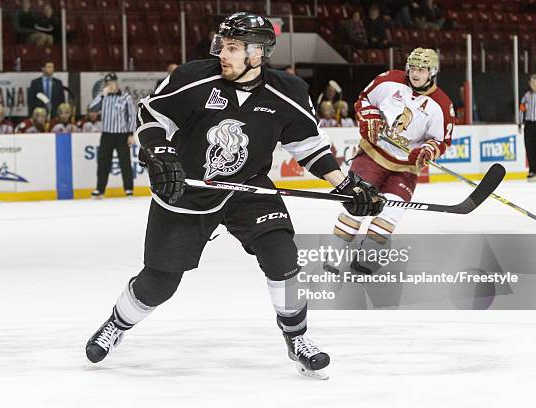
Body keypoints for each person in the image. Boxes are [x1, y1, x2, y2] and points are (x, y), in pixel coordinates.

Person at [84, 12, 385, 379]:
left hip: (249, 189)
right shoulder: (193, 78)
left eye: (231, 48)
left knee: (283, 256)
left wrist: (345, 184)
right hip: (187, 187)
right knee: (159, 284)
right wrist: (160, 153)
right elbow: (152, 116)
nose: (221, 54)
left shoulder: (287, 92)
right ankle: (117, 324)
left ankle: (298, 338)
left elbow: (309, 148)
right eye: (221, 45)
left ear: (257, 53)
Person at [328, 48, 454, 275]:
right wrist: (370, 115)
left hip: (405, 168)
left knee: (391, 213)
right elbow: (364, 99)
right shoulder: (389, 80)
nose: (416, 73)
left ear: (432, 72)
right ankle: (334, 257)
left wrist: (426, 150)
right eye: (413, 68)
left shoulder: (442, 105)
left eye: (422, 69)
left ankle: (364, 261)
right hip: (373, 155)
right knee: (357, 205)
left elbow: (441, 140)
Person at [89, 72, 137, 197]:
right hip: (107, 135)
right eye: (108, 83)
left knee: (125, 162)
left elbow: (131, 116)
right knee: (103, 163)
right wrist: (102, 95)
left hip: (122, 135)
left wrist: (131, 134)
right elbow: (92, 109)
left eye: (112, 82)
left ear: (116, 82)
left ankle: (129, 189)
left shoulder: (125, 97)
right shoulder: (103, 97)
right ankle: (100, 189)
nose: (110, 85)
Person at [519, 73, 536, 182]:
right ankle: (532, 170)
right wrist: (520, 123)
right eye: (532, 82)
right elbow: (521, 110)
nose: (534, 84)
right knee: (530, 148)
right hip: (529, 124)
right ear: (530, 83)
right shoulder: (526, 96)